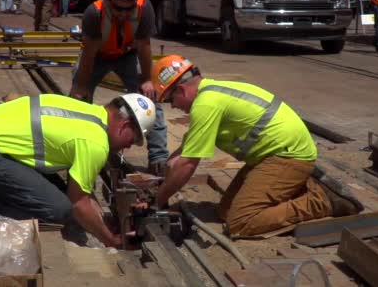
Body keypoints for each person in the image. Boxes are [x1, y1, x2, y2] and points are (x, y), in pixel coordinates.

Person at [151, 55, 364, 237]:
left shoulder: (205, 104)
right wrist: (171, 164)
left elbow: (188, 164)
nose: (174, 107)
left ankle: (322, 201)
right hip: (273, 155)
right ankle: (294, 186)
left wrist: (157, 201)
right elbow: (187, 150)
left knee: (240, 222)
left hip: (288, 156)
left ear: (181, 90)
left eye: (171, 100)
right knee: (225, 211)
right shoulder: (212, 92)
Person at [0, 93, 156, 248]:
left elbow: (81, 190)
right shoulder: (96, 142)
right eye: (133, 140)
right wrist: (111, 240)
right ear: (125, 126)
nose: (129, 146)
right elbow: (78, 203)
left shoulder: (90, 112)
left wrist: (100, 219)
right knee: (59, 210)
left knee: (59, 192)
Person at [69, 0, 169, 175]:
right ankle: (79, 149)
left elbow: (144, 45)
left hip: (127, 54)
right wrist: (81, 86)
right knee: (79, 100)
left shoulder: (144, 8)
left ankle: (158, 158)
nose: (123, 14)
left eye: (128, 8)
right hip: (96, 57)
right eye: (118, 8)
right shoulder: (93, 13)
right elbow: (88, 53)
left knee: (150, 99)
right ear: (107, 0)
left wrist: (147, 80)